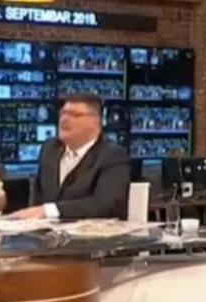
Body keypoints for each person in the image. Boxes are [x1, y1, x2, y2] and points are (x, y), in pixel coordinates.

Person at [11, 92, 130, 220]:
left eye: (75, 115)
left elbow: (105, 204)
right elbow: (38, 199)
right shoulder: (50, 149)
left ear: (96, 121)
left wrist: (50, 210)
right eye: (63, 113)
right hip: (44, 230)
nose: (65, 119)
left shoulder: (112, 156)